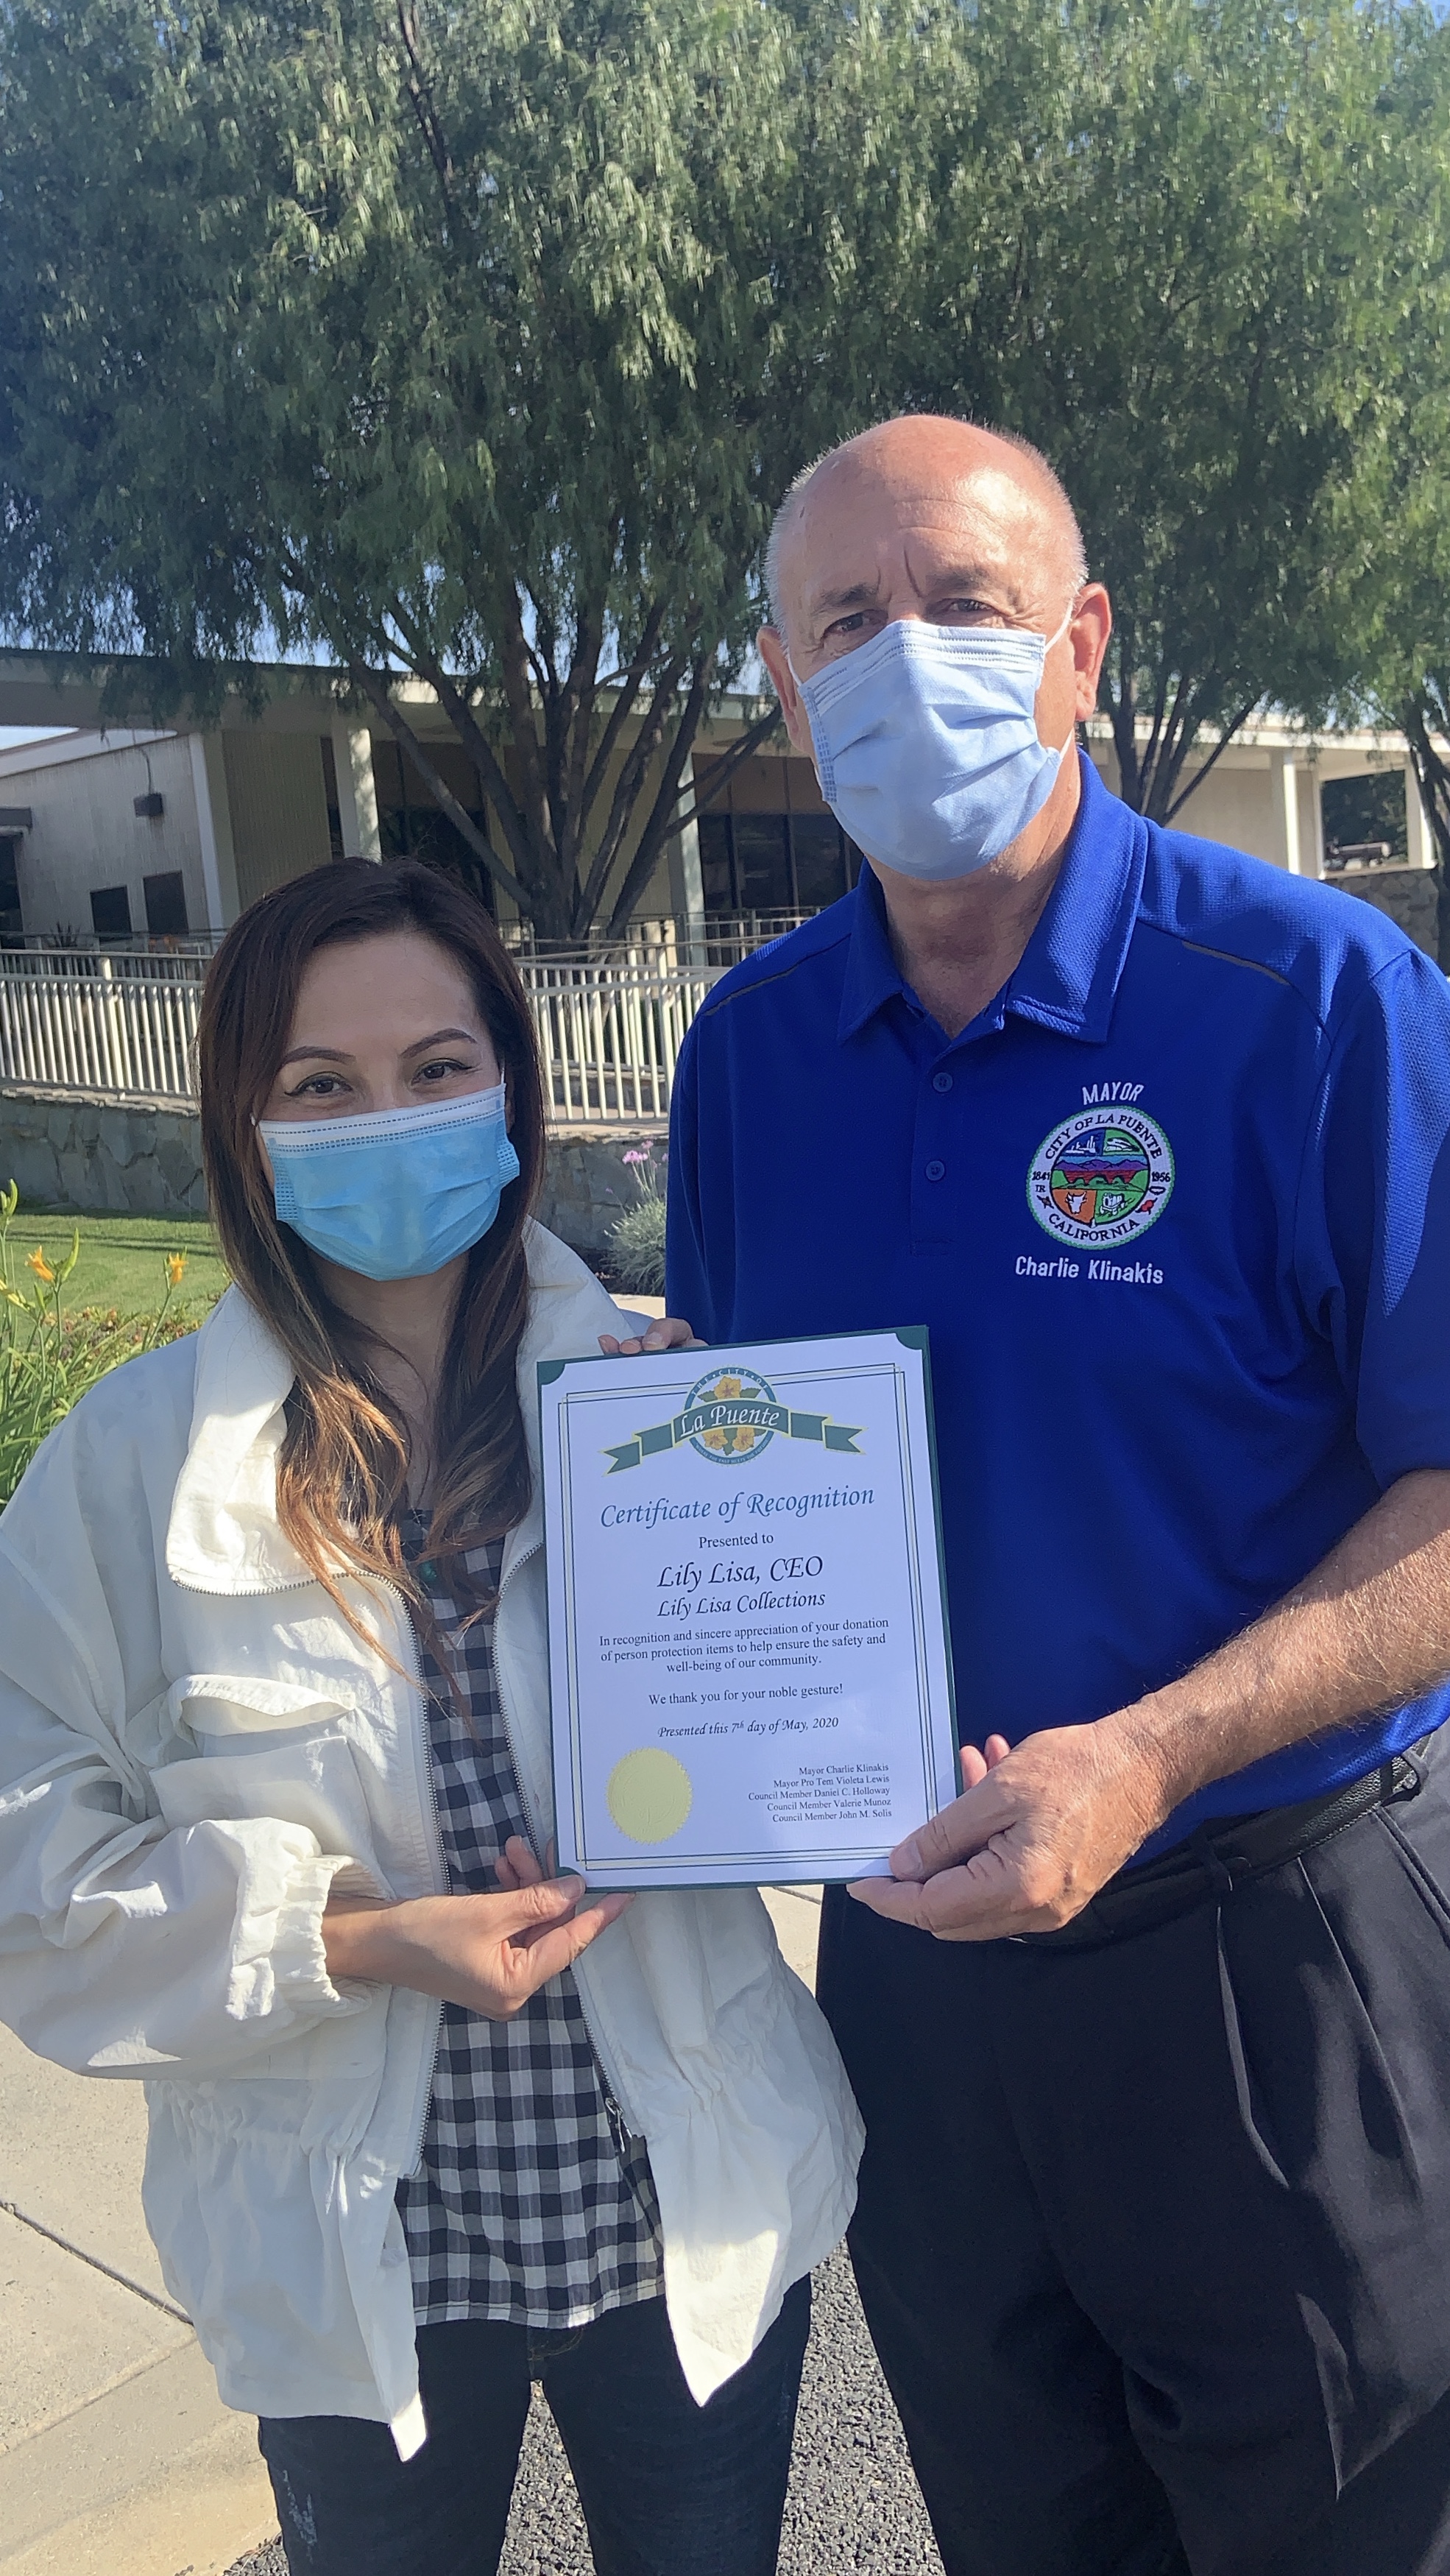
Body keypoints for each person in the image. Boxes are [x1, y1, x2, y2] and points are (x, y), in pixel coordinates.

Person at [665, 414, 1450, 2575]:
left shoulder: (1308, 1001)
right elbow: (748, 1465)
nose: (902, 657)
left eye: (966, 606)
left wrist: (1146, 1752)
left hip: (1262, 1952)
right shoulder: (746, 1054)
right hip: (913, 2000)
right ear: (783, 677)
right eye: (847, 620)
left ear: (1081, 644)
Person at [0, 860, 860, 2576]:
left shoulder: (667, 1409)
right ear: (246, 1125)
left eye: (437, 1068)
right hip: (357, 2260)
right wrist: (362, 1936)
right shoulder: (122, 1470)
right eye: (321, 1085)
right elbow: (30, 1873)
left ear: (513, 1095)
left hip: (676, 2206)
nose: (385, 1117)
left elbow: (820, 1723)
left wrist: (788, 1577)